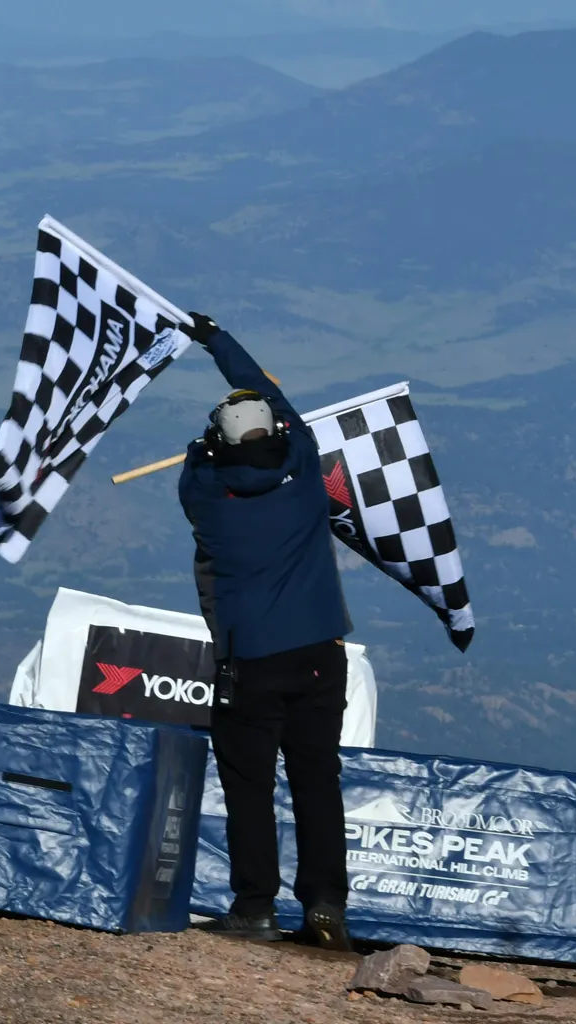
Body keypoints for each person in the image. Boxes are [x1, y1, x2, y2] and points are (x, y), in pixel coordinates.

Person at [177, 312, 353, 952]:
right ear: (278, 433)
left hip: (249, 661)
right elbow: (274, 398)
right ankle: (326, 904)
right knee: (316, 780)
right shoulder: (306, 473)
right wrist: (216, 337)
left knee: (249, 787)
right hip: (319, 655)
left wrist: (206, 444)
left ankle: (255, 908)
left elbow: (200, 463)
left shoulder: (203, 495)